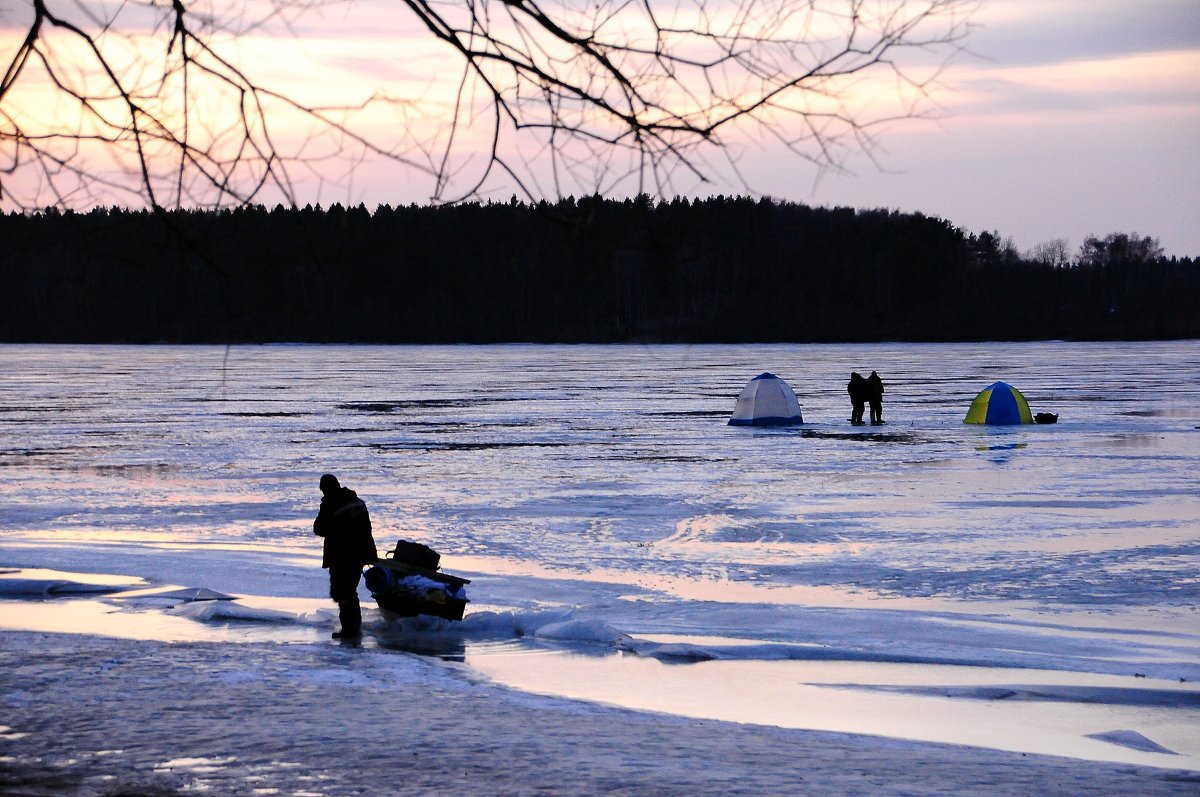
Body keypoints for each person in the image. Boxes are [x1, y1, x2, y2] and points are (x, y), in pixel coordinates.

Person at [313, 474, 378, 639]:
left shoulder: (331, 504)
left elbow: (319, 529)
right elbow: (367, 529)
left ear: (325, 489)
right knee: (349, 591)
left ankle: (350, 630)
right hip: (360, 554)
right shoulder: (358, 502)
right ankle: (353, 628)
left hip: (341, 555)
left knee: (343, 592)